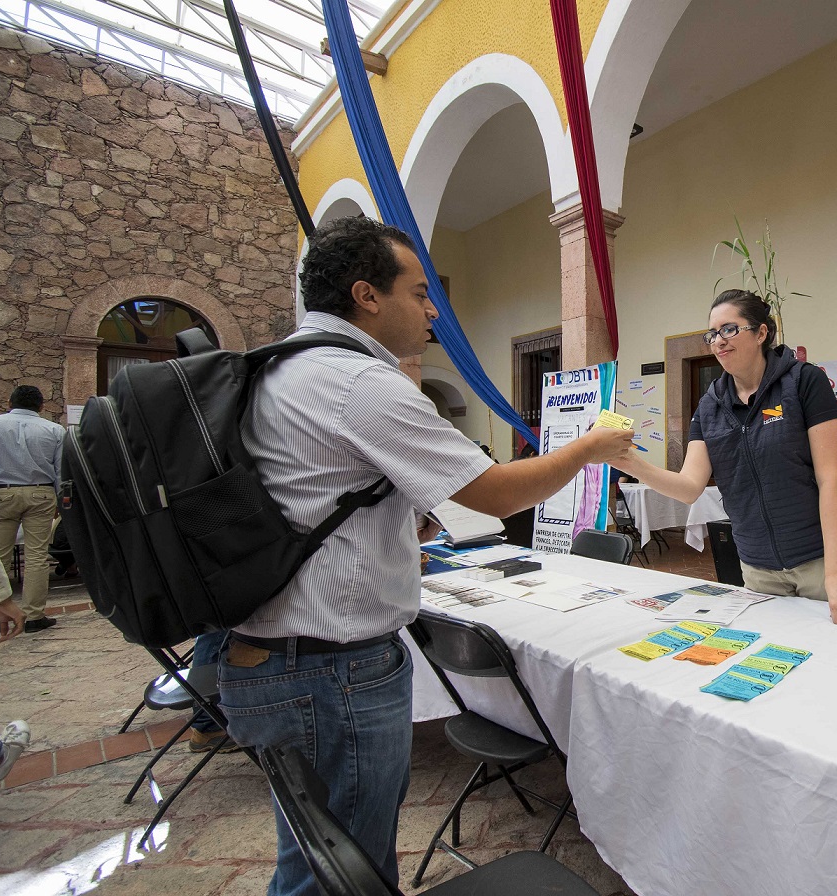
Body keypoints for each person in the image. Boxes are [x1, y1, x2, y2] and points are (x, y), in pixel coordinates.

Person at [217, 216, 632, 896]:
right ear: (366, 295)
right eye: (419, 292)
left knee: (319, 860)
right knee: (338, 871)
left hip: (272, 657)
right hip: (330, 673)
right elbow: (496, 495)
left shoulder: (277, 368)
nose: (433, 308)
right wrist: (588, 448)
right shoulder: (359, 384)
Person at [619, 290, 837, 625]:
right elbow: (690, 486)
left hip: (820, 562)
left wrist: (835, 575)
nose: (718, 341)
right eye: (712, 334)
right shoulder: (710, 406)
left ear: (761, 333)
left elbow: (830, 479)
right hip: (757, 568)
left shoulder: (805, 382)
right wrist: (628, 461)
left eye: (729, 329)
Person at [0, 385, 65, 633]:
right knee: (37, 555)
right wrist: (61, 500)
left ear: (10, 402)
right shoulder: (55, 430)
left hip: (1, 492)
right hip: (41, 491)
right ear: (41, 406)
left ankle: (0, 613)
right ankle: (34, 615)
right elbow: (61, 471)